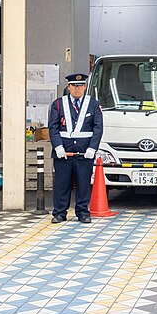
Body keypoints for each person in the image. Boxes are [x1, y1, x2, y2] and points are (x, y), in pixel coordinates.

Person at [49, 72, 104, 224]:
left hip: (84, 152)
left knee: (83, 184)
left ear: (85, 86)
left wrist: (92, 148)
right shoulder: (58, 104)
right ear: (68, 87)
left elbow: (98, 127)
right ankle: (60, 213)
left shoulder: (93, 104)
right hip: (63, 153)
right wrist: (58, 146)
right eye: (74, 85)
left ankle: (82, 212)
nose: (77, 88)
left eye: (80, 85)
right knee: (61, 184)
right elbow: (53, 127)